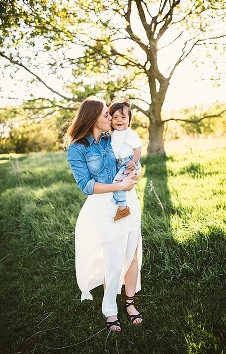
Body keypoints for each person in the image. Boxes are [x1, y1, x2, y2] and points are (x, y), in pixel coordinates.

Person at [66, 97, 144, 333]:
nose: (111, 118)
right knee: (113, 259)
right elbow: (85, 185)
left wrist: (135, 174)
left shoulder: (115, 138)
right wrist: (118, 187)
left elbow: (134, 162)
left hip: (130, 202)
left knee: (132, 254)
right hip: (104, 208)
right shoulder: (77, 147)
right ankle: (110, 308)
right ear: (93, 118)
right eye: (107, 115)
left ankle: (129, 302)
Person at [108, 99, 142, 222]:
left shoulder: (130, 134)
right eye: (115, 117)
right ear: (110, 120)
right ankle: (120, 205)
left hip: (128, 163)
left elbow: (138, 149)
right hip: (119, 163)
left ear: (129, 120)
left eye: (123, 117)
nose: (119, 120)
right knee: (117, 181)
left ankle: (122, 208)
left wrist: (133, 161)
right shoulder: (112, 134)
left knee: (118, 182)